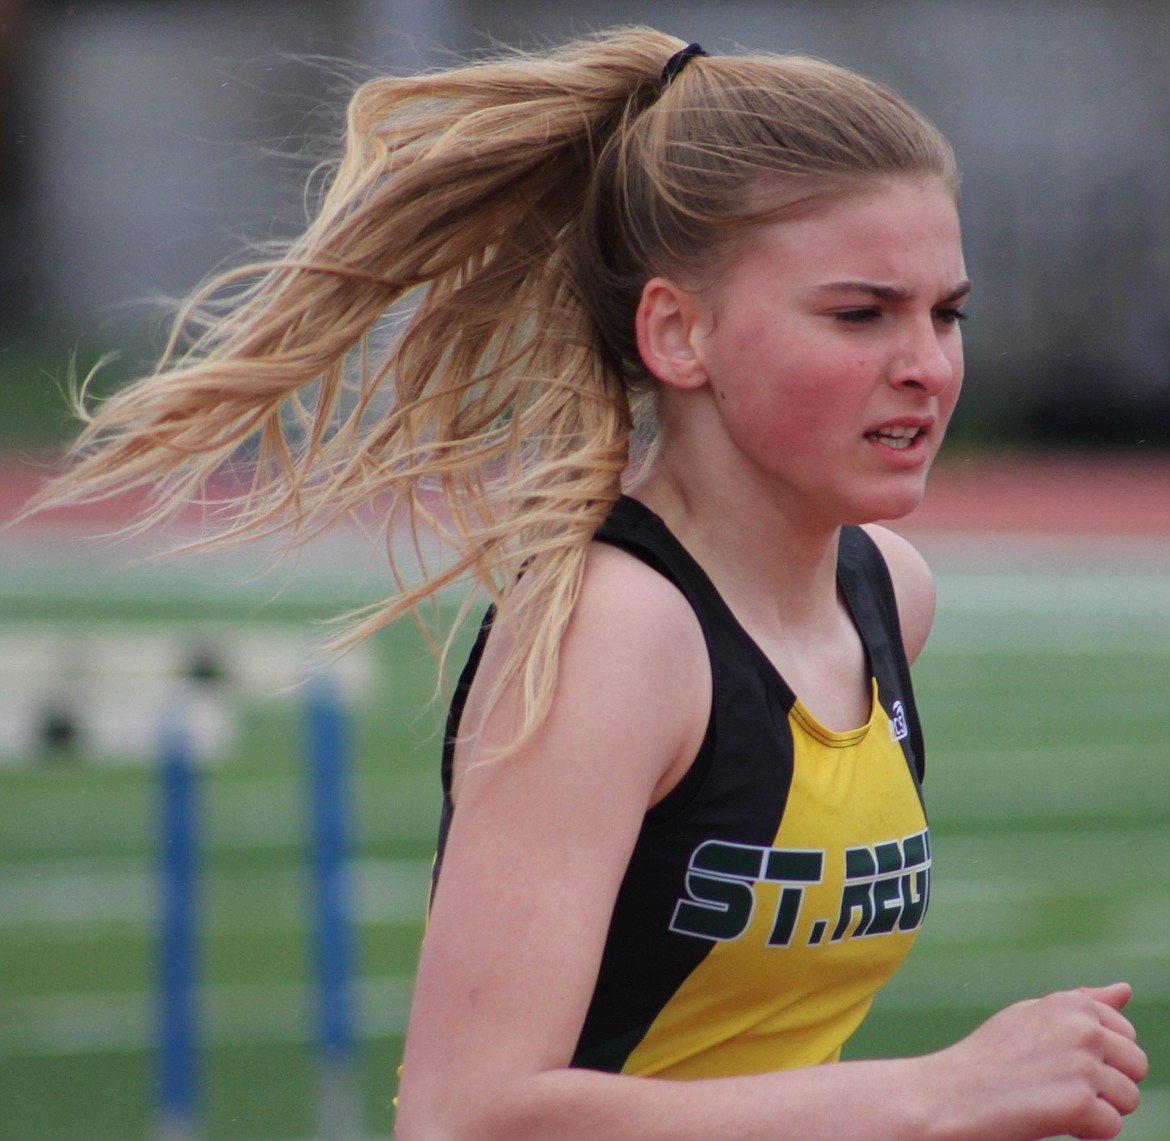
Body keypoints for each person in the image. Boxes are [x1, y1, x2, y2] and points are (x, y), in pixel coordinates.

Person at [35, 27, 1146, 1141]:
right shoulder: (615, 639)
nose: (928, 365)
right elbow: (468, 1116)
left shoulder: (887, 595)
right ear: (677, 331)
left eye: (947, 313)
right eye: (861, 314)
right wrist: (933, 1093)